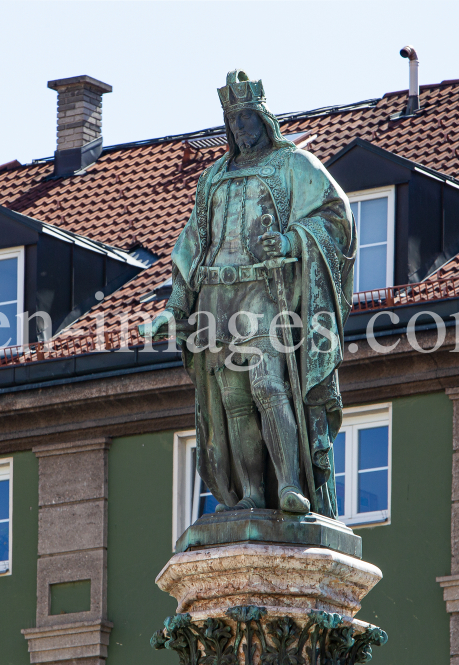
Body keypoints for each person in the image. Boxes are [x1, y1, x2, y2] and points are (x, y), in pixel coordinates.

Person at [140, 70, 356, 517]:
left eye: (246, 116)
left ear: (263, 116)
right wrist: (175, 308)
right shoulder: (213, 176)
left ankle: (292, 486)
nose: (240, 126)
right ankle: (253, 494)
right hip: (214, 297)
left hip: (263, 291)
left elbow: (335, 215)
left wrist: (295, 239)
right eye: (231, 118)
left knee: (267, 385)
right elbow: (192, 244)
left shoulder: (292, 165)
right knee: (235, 399)